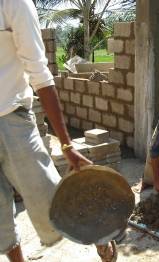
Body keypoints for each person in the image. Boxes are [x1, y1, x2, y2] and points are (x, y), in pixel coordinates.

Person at [0, 0, 116, 261]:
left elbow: (40, 74)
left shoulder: (13, 4)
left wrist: (67, 144)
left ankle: (99, 237)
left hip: (11, 119)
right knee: (0, 221)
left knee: (52, 198)